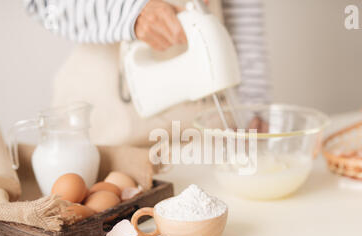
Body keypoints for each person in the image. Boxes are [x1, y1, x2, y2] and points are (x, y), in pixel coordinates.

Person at [24, 0, 271, 146]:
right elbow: (45, 6)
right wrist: (130, 13)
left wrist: (253, 106)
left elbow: (242, 12)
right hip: (108, 136)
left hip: (207, 139)